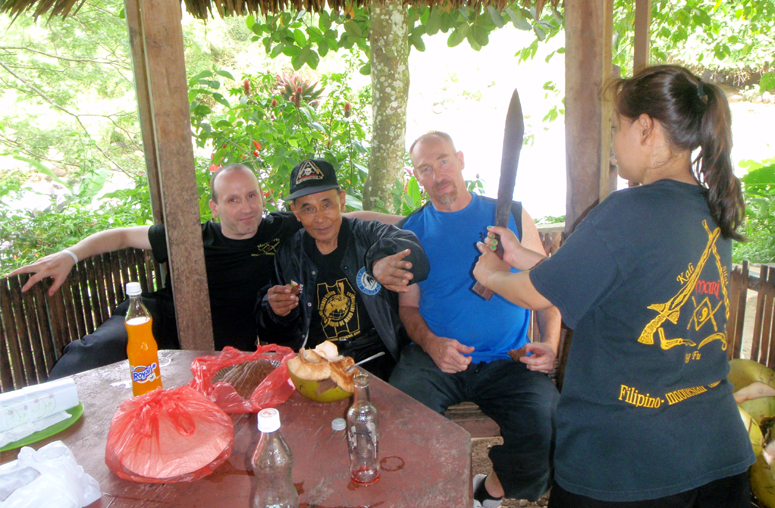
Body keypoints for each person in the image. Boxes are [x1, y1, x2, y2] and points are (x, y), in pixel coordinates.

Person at [473, 65, 754, 508]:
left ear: (645, 128)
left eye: (616, 127)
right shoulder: (708, 208)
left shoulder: (630, 209)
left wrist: (489, 273)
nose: (613, 142)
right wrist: (518, 257)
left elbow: (536, 294)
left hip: (628, 465)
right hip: (717, 453)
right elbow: (602, 278)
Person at [11, 164, 390, 380]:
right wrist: (71, 255)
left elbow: (351, 218)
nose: (245, 208)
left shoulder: (282, 226)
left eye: (252, 196)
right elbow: (124, 235)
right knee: (94, 351)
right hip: (165, 317)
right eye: (232, 199)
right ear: (214, 206)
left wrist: (414, 221)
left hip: (229, 336)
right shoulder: (191, 237)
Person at [387, 131, 561, 507]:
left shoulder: (510, 214)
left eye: (444, 161)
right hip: (436, 361)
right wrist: (432, 344)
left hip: (508, 360)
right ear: (417, 176)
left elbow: (550, 293)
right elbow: (408, 309)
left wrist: (550, 345)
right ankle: (433, 496)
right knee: (400, 412)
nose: (438, 174)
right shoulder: (410, 231)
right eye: (426, 168)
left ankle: (489, 492)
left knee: (548, 423)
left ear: (461, 159)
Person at [259, 159, 430, 380]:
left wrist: (379, 260)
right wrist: (275, 312)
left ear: (341, 201)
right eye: (308, 208)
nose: (320, 217)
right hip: (316, 364)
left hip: (377, 359)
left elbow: (411, 247)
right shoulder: (287, 254)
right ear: (295, 212)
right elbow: (272, 332)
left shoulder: (366, 234)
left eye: (327, 204)